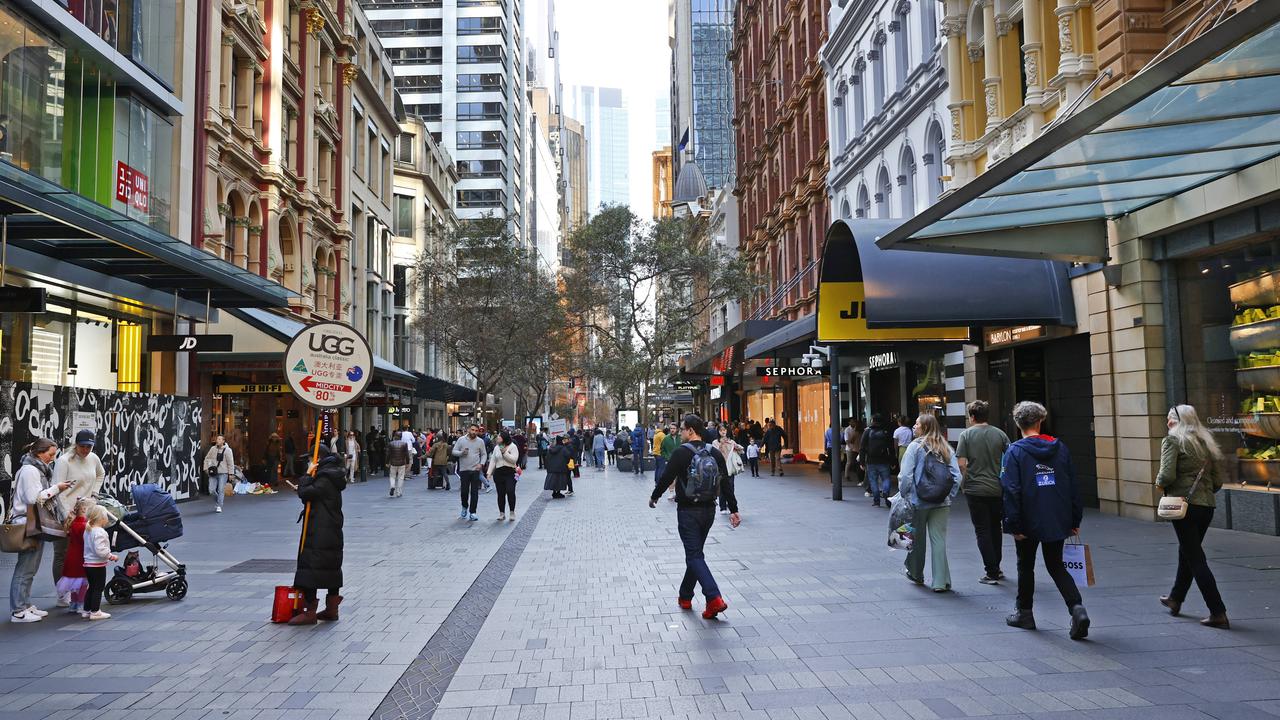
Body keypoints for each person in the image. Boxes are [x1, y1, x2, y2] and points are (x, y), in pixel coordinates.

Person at [1001, 401, 1090, 640]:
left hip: (1028, 518)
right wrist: (1074, 517)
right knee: (1055, 564)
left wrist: (1013, 524)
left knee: (1025, 565)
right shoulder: (1059, 448)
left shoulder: (1015, 452)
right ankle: (1076, 608)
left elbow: (1011, 490)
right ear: (1040, 421)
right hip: (1057, 516)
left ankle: (1025, 612)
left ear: (1018, 424)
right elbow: (1073, 485)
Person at [650, 414, 740, 619]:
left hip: (688, 511)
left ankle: (714, 598)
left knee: (694, 555)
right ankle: (685, 596)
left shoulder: (681, 452)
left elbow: (666, 477)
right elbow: (725, 482)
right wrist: (734, 509)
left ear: (691, 430)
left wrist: (654, 497)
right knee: (696, 553)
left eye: (682, 429)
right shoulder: (714, 453)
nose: (680, 432)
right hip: (709, 511)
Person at [1157, 404, 1228, 629]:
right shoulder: (1206, 442)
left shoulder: (1173, 440)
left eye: (1170, 419)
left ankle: (1218, 611)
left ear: (1176, 421)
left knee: (1195, 558)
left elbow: (1166, 475)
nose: (1167, 423)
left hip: (1184, 506)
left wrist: (1159, 483)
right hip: (1206, 506)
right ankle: (1175, 598)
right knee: (1187, 551)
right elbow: (1218, 482)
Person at [898, 414, 961, 593]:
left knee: (916, 539)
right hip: (942, 502)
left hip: (918, 501)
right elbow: (957, 476)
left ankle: (916, 574)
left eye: (916, 424)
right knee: (939, 540)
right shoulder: (945, 447)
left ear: (924, 427)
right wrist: (949, 495)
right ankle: (941, 582)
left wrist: (904, 495)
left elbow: (905, 476)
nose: (914, 427)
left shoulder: (914, 447)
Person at [9, 439, 69, 623]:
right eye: (50, 454)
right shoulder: (30, 471)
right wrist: (56, 489)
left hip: (33, 523)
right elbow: (33, 498)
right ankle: (18, 610)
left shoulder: (35, 469)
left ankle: (24, 605)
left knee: (30, 568)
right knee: (26, 568)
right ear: (38, 452)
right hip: (29, 524)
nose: (52, 459)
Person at [289, 448, 346, 625]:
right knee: (330, 567)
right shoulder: (331, 476)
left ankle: (309, 611)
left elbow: (307, 493)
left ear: (317, 459)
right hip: (330, 527)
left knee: (311, 566)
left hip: (320, 528)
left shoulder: (325, 477)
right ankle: (331, 608)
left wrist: (306, 475)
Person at [956, 401, 1011, 585]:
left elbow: (962, 464)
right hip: (997, 488)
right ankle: (998, 567)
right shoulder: (1000, 434)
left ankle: (991, 571)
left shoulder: (966, 435)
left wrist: (965, 480)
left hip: (974, 488)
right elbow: (1010, 458)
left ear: (972, 416)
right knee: (996, 528)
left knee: (982, 530)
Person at [51, 429, 105, 605]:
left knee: (84, 552)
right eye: (82, 446)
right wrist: (67, 515)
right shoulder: (64, 461)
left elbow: (100, 474)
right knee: (63, 553)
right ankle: (62, 592)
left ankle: (80, 590)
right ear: (76, 444)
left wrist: (94, 495)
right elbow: (57, 490)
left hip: (85, 513)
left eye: (89, 446)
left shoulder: (93, 458)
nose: (86, 450)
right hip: (65, 514)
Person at [81, 504, 117, 621]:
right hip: (97, 565)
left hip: (88, 564)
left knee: (91, 587)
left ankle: (86, 610)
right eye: (106, 516)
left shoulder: (88, 531)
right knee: (98, 587)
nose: (107, 518)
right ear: (101, 518)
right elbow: (100, 550)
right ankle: (95, 611)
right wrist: (110, 556)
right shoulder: (100, 532)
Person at [859, 414, 897, 507]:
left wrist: (862, 461)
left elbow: (862, 447)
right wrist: (893, 461)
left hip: (871, 461)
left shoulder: (867, 432)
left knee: (873, 480)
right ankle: (886, 492)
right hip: (884, 460)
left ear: (872, 420)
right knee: (886, 479)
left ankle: (876, 501)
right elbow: (891, 448)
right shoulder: (886, 432)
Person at [452, 424, 488, 521]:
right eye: (472, 430)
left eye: (476, 430)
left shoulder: (480, 441)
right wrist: (461, 453)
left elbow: (484, 454)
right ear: (468, 430)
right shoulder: (461, 440)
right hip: (464, 469)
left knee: (474, 492)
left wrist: (481, 464)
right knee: (464, 491)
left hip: (475, 469)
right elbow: (453, 451)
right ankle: (464, 506)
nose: (474, 432)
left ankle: (473, 512)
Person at [488, 430, 521, 521]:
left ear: (504, 438)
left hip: (510, 472)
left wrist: (504, 453)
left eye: (499, 436)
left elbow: (513, 460)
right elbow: (493, 460)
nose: (497, 438)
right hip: (499, 473)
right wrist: (489, 472)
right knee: (500, 493)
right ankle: (501, 513)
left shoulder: (513, 447)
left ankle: (512, 512)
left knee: (510, 491)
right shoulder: (496, 448)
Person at [715, 434, 744, 515]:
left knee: (730, 486)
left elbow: (741, 451)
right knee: (722, 486)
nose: (722, 432)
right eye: (720, 430)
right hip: (720, 468)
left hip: (730, 467)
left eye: (724, 430)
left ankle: (730, 503)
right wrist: (721, 444)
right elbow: (714, 453)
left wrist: (737, 448)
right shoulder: (716, 442)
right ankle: (722, 507)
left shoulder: (731, 442)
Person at [204, 434, 234, 513]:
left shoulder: (228, 450)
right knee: (211, 490)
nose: (218, 440)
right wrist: (206, 468)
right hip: (213, 472)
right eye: (217, 439)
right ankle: (219, 501)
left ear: (223, 441)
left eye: (220, 439)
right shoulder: (213, 449)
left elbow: (230, 463)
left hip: (223, 473)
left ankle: (219, 505)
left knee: (221, 489)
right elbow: (207, 458)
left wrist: (231, 474)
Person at [386, 431, 411, 497]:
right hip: (402, 463)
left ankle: (392, 486)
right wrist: (408, 462)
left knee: (392, 476)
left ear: (394, 436)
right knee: (400, 477)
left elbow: (388, 454)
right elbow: (406, 454)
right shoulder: (404, 444)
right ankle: (399, 492)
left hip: (393, 462)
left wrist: (387, 462)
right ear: (401, 437)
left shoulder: (390, 443)